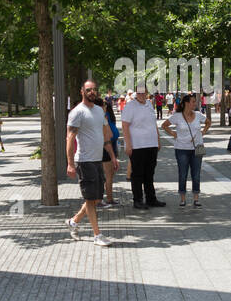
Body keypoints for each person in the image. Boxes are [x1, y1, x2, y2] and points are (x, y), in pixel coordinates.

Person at [66, 80, 115, 245]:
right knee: (90, 199)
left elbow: (105, 137)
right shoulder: (77, 112)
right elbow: (70, 138)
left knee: (95, 199)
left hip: (97, 160)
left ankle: (74, 221)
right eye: (88, 90)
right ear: (82, 91)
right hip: (84, 161)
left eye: (94, 90)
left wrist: (113, 157)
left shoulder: (100, 112)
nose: (92, 92)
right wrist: (70, 163)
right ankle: (97, 235)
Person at [163, 92, 210, 207]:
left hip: (198, 147)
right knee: (183, 173)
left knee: (196, 173)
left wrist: (203, 132)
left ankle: (196, 198)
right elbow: (164, 125)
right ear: (186, 103)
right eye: (193, 101)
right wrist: (173, 134)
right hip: (182, 148)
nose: (195, 103)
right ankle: (183, 198)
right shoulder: (177, 116)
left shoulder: (198, 114)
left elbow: (208, 122)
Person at [123, 84, 165, 209]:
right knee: (137, 174)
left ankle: (151, 199)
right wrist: (128, 144)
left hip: (151, 144)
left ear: (147, 92)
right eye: (139, 93)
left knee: (149, 173)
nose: (142, 95)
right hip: (137, 145)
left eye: (144, 93)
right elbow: (125, 126)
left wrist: (157, 140)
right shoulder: (130, 106)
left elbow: (154, 124)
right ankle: (138, 200)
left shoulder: (149, 104)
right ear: (136, 93)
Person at [97, 96, 119, 208]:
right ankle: (104, 199)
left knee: (109, 174)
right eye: (103, 105)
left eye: (105, 105)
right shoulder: (100, 117)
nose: (105, 107)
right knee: (107, 174)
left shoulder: (106, 116)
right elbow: (107, 134)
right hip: (105, 147)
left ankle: (108, 198)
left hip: (111, 146)